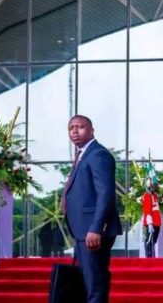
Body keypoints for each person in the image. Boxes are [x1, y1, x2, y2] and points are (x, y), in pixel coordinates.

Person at [63, 115, 122, 303]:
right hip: (82, 230)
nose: (74, 131)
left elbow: (105, 194)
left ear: (91, 130)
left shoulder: (98, 154)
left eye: (79, 127)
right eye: (71, 127)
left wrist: (96, 228)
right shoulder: (82, 155)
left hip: (93, 231)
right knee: (88, 282)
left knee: (94, 284)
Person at [141, 180, 162, 258]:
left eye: (155, 186)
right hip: (150, 222)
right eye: (152, 185)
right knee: (149, 242)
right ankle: (150, 260)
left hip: (157, 222)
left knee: (153, 242)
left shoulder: (155, 196)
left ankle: (153, 258)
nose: (154, 187)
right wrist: (150, 223)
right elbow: (147, 210)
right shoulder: (147, 195)